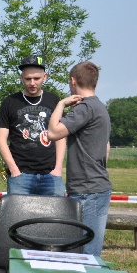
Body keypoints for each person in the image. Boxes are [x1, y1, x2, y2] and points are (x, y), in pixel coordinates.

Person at [46, 61, 111, 257]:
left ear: (72, 81)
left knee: (85, 253)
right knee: (89, 250)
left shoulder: (86, 108)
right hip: (98, 186)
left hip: (87, 190)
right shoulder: (101, 107)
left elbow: (52, 133)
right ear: (96, 83)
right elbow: (106, 147)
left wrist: (60, 104)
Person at [0, 54, 66, 196]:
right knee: (19, 217)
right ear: (22, 78)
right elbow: (0, 140)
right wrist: (14, 170)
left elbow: (60, 137)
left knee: (55, 217)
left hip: (51, 175)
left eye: (36, 78)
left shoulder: (54, 100)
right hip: (21, 176)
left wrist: (58, 169)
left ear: (44, 77)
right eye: (28, 79)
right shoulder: (10, 102)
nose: (32, 83)